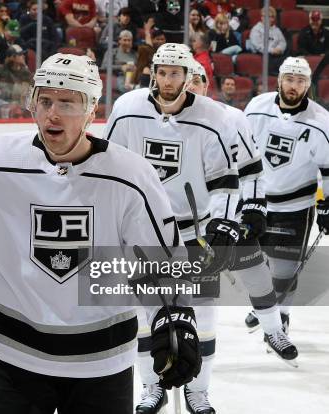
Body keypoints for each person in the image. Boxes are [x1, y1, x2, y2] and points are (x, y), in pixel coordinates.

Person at [0, 52, 202, 413]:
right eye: (45, 100)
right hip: (12, 355)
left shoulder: (130, 175)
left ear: (91, 111)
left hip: (102, 361)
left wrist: (174, 317)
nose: (53, 113)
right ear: (32, 105)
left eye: (67, 102)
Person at [104, 43, 241, 414]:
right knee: (143, 316)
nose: (168, 80)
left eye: (175, 73)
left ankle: (198, 391)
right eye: (162, 72)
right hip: (140, 231)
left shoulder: (213, 116)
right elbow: (107, 166)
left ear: (188, 76)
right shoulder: (127, 109)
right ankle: (152, 388)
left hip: (193, 233)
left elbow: (226, 182)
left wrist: (224, 226)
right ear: (153, 73)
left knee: (203, 319)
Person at [188, 61, 298, 366]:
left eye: (197, 81)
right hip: (189, 223)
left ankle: (274, 331)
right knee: (198, 294)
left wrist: (253, 208)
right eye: (187, 81)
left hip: (228, 216)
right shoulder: (170, 122)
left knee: (257, 276)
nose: (190, 86)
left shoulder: (231, 118)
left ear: (206, 85)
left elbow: (252, 169)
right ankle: (191, 347)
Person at [243, 57, 329, 338]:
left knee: (286, 269)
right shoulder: (257, 107)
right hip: (258, 202)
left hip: (297, 206)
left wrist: (327, 203)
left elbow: (328, 168)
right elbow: (241, 152)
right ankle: (264, 305)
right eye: (290, 80)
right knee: (259, 263)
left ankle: (281, 319)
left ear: (308, 84)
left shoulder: (321, 121)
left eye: (301, 81)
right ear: (279, 80)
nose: (294, 86)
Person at [248, 6, 286, 75]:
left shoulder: (276, 30)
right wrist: (272, 50)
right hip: (262, 54)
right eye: (264, 16)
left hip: (276, 54)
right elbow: (258, 45)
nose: (266, 18)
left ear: (273, 19)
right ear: (261, 17)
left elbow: (283, 42)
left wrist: (279, 49)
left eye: (270, 17)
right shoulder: (256, 29)